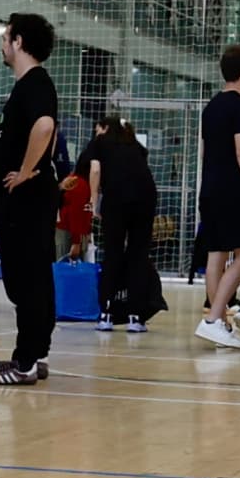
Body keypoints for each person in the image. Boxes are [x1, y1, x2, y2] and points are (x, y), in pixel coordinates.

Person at [0, 14, 61, 387]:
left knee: (26, 279)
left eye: (5, 36)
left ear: (18, 41)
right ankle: (34, 353)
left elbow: (45, 127)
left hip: (27, 200)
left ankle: (25, 361)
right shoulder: (31, 86)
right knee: (33, 277)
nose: (1, 43)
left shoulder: (34, 84)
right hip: (31, 199)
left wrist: (28, 170)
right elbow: (50, 133)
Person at [192, 47, 240, 350]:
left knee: (217, 255)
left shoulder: (211, 107)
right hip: (230, 190)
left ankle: (220, 323)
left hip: (209, 189)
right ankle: (213, 319)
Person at [81, 114, 161, 333]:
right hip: (145, 199)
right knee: (138, 255)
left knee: (113, 254)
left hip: (116, 199)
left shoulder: (100, 143)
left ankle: (106, 315)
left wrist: (93, 202)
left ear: (105, 128)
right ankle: (136, 317)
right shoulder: (135, 145)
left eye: (98, 128)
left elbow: (95, 170)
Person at [58, 164, 94, 263]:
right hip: (71, 232)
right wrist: (76, 242)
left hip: (70, 230)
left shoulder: (75, 180)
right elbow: (76, 214)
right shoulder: (81, 184)